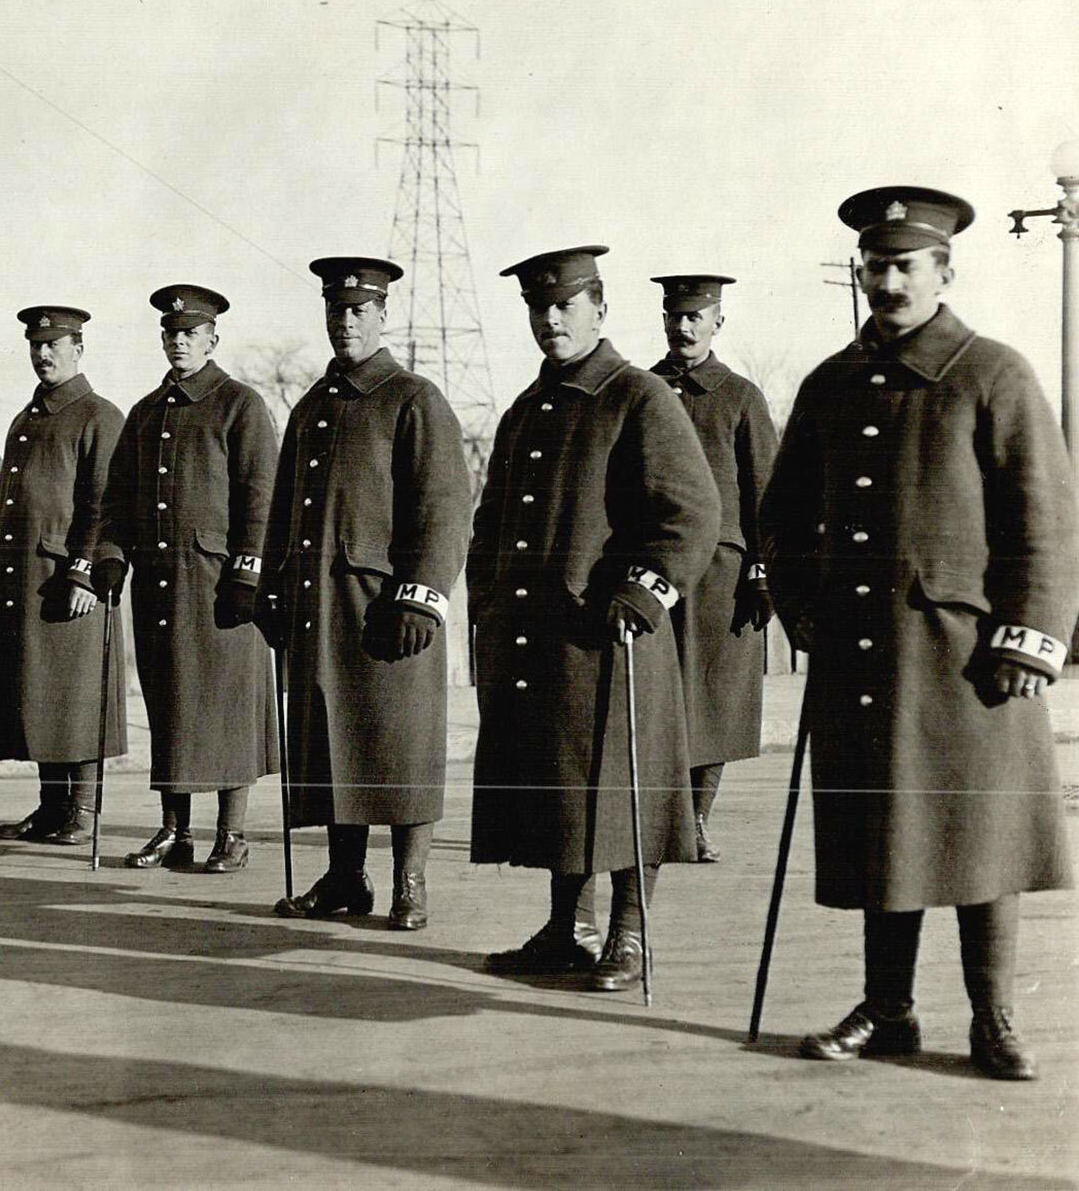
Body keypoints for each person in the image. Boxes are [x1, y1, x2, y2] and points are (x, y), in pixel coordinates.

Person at [763, 187, 1078, 1081]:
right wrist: (805, 607)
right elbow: (780, 517)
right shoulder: (830, 383)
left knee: (984, 839)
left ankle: (995, 1017)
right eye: (874, 263)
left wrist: (1030, 635)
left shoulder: (994, 373)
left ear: (946, 271)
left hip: (970, 660)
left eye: (906, 264)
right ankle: (888, 1008)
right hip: (866, 657)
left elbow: (1046, 521)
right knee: (883, 832)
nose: (887, 280)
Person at [469, 246, 719, 990]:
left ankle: (629, 933)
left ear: (600, 310)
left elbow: (693, 513)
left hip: (614, 635)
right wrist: (487, 599)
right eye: (538, 308)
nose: (551, 320)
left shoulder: (637, 395)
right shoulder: (524, 409)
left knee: (622, 788)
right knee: (560, 786)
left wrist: (646, 590)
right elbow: (490, 526)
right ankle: (566, 929)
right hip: (539, 636)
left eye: (566, 306)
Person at [259, 258, 473, 928]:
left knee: (400, 744)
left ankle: (410, 881)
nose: (345, 322)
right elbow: (281, 508)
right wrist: (270, 587)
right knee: (329, 742)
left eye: (359, 311)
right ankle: (346, 876)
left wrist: (422, 595)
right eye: (335, 310)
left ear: (383, 315)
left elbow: (444, 507)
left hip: (386, 611)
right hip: (317, 610)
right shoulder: (310, 408)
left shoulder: (412, 398)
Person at [103, 286, 278, 873]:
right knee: (169, 706)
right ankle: (174, 831)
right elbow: (118, 500)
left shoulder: (239, 404)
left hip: (218, 586)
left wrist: (248, 570)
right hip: (157, 584)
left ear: (212, 339)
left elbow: (262, 497)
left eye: (191, 333)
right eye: (171, 333)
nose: (180, 342)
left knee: (226, 707)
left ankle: (233, 834)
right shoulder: (146, 411)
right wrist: (109, 556)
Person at [0, 307, 129, 845]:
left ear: (79, 350)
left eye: (55, 345)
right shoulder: (27, 419)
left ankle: (83, 810)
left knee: (76, 695)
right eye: (36, 346)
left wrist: (84, 575)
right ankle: (51, 807)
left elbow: (105, 505)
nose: (43, 355)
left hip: (68, 580)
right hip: (26, 580)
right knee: (40, 695)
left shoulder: (98, 416)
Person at [647, 275, 779, 861]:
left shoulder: (740, 396)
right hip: (649, 567)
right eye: (676, 316)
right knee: (653, 692)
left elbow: (767, 494)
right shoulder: (641, 390)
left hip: (721, 575)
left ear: (717, 322)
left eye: (696, 316)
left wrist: (764, 570)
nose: (684, 327)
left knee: (714, 698)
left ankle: (696, 820)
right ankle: (656, 820)